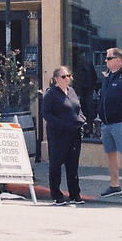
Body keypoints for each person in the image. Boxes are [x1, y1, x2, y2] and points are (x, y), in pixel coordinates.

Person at [42, 66, 86, 205]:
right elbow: (46, 114)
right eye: (64, 76)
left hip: (74, 133)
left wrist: (82, 119)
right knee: (56, 164)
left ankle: (75, 194)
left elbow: (77, 108)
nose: (67, 79)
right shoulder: (51, 94)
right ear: (56, 79)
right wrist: (62, 124)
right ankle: (56, 195)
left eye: (69, 76)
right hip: (58, 135)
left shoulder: (71, 91)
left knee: (73, 165)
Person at [98, 47, 122, 198]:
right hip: (107, 123)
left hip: (121, 122)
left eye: (108, 58)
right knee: (111, 154)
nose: (105, 61)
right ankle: (114, 185)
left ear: (117, 60)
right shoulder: (108, 77)